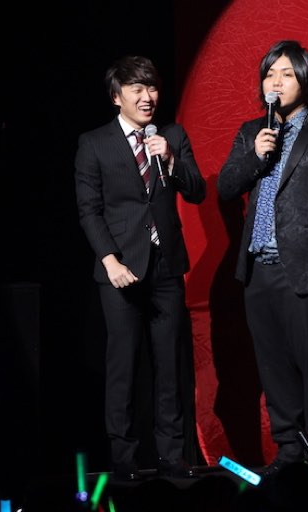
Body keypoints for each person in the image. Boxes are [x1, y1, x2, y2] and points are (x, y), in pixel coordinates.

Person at [217, 40, 308, 477]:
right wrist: (255, 156)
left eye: (287, 74)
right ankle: (290, 452)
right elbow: (226, 188)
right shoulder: (251, 133)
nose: (275, 82)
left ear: (305, 80)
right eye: (269, 74)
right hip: (259, 268)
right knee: (273, 366)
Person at [75, 54, 206, 480]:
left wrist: (171, 159)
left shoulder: (172, 135)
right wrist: (109, 260)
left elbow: (198, 191)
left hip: (166, 266)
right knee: (124, 364)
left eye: (152, 88)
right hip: (120, 269)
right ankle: (124, 458)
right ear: (117, 97)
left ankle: (172, 454)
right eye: (137, 89)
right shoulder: (94, 143)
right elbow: (89, 210)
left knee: (169, 364)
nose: (147, 96)